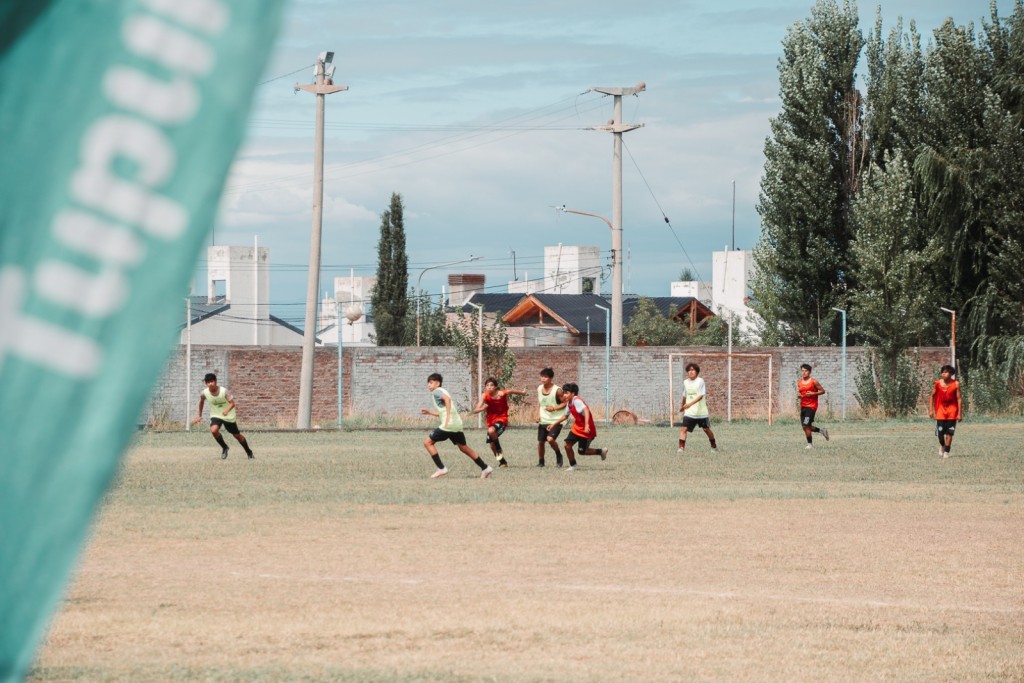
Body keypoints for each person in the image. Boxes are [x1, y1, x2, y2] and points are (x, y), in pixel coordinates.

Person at [421, 373, 493, 479]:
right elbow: (443, 411)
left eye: (431, 383)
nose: (429, 385)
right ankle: (485, 468)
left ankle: (441, 468)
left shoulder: (437, 392)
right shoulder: (443, 391)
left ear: (437, 383)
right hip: (457, 424)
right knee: (463, 448)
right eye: (428, 383)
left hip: (449, 425)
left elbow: (447, 400)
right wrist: (430, 412)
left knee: (427, 442)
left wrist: (448, 418)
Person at [191, 373, 254, 459]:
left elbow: (232, 404)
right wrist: (199, 415)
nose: (210, 384)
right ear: (206, 383)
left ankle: (249, 452)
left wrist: (226, 411)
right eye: (208, 382)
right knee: (213, 430)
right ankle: (224, 447)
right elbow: (201, 402)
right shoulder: (204, 393)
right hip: (216, 415)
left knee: (237, 435)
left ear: (216, 381)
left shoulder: (224, 391)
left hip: (228, 416)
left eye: (212, 381)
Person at [551, 382, 608, 471]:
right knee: (567, 445)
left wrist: (586, 425)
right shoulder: (568, 403)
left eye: (567, 393)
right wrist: (554, 424)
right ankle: (573, 465)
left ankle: (601, 451)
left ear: (573, 393)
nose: (564, 395)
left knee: (582, 451)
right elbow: (565, 416)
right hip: (577, 428)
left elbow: (586, 410)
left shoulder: (576, 400)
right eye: (564, 393)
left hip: (587, 430)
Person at [472, 377, 527, 467]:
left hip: (502, 419)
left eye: (491, 385)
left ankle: (499, 448)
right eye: (487, 385)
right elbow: (475, 410)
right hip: (490, 421)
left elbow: (511, 390)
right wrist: (483, 408)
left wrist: (523, 393)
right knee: (491, 445)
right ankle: (502, 462)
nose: (489, 387)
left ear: (496, 387)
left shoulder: (501, 394)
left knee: (491, 431)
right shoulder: (484, 395)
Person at [677, 363, 717, 453]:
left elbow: (700, 396)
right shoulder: (685, 382)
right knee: (684, 429)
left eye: (693, 370)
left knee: (706, 429)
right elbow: (684, 396)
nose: (691, 372)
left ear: (697, 371)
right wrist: (682, 406)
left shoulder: (700, 381)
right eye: (689, 370)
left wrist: (689, 404)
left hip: (701, 412)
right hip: (689, 412)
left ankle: (713, 446)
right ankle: (681, 448)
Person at [928, 364, 962, 459]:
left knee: (949, 433)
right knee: (940, 433)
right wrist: (931, 410)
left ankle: (946, 452)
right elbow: (932, 396)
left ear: (951, 374)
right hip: (940, 412)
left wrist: (959, 413)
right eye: (942, 372)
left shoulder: (956, 384)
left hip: (952, 412)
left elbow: (959, 399)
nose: (943, 374)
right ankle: (942, 445)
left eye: (946, 372)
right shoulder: (937, 383)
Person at [536, 367, 566, 467]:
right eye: (542, 376)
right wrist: (537, 414)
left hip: (556, 420)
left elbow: (565, 403)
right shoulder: (539, 388)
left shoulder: (557, 390)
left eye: (545, 377)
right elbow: (540, 402)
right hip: (543, 420)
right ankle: (541, 462)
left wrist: (554, 408)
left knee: (550, 439)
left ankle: (558, 455)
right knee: (540, 442)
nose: (543, 379)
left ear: (551, 378)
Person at [797, 364, 829, 448]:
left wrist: (814, 393)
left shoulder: (813, 381)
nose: (804, 373)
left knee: (806, 425)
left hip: (811, 406)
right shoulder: (799, 382)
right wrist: (800, 396)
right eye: (802, 371)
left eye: (806, 371)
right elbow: (803, 394)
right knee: (805, 427)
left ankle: (810, 445)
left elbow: (823, 391)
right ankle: (822, 430)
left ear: (809, 372)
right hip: (803, 405)